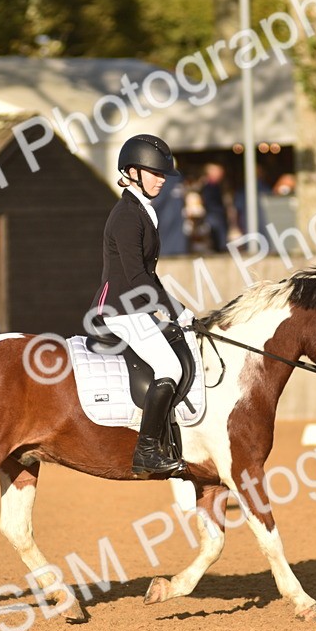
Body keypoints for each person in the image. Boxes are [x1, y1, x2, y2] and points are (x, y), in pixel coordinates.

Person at [90, 134, 191, 479]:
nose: (162, 179)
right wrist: (172, 310)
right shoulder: (127, 216)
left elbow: (150, 275)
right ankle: (147, 451)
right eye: (155, 172)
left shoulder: (141, 211)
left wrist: (179, 307)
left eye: (164, 174)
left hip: (135, 306)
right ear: (132, 172)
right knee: (170, 368)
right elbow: (135, 276)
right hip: (119, 309)